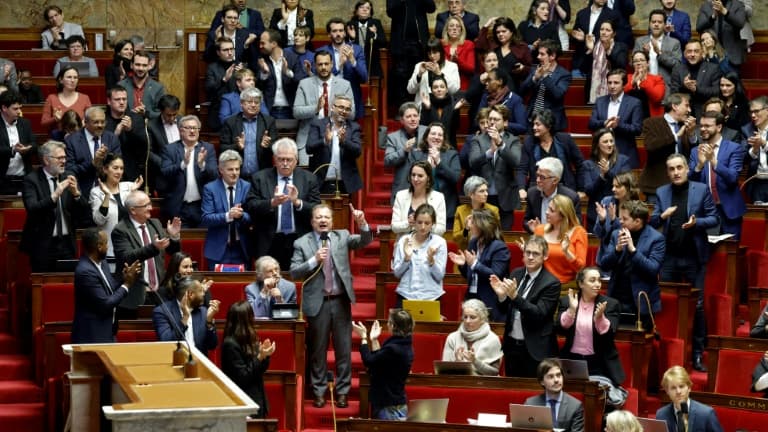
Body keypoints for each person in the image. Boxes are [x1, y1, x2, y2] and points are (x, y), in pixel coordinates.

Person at [290, 204, 372, 409]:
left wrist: (362, 224)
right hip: (318, 303)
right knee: (318, 351)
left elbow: (364, 240)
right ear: (312, 221)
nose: (323, 220)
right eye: (319, 217)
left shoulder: (341, 236)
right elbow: (294, 272)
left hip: (340, 301)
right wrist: (313, 260)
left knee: (343, 349)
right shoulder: (302, 243)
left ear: (332, 222)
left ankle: (342, 391)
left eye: (327, 217)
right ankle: (319, 391)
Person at [651, 153, 719, 370]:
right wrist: (662, 217)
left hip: (693, 257)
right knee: (667, 305)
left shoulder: (700, 189)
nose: (676, 172)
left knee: (697, 306)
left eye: (679, 167)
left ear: (687, 169)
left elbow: (714, 218)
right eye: (671, 169)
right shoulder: (661, 192)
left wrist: (696, 222)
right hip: (669, 257)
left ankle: (697, 354)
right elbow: (651, 220)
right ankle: (667, 353)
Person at [245, 137, 321, 270]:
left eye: (289, 159)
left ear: (296, 160)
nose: (285, 163)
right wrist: (272, 203)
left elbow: (317, 209)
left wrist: (297, 203)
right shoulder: (259, 178)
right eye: (281, 159)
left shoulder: (309, 179)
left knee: (297, 282)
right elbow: (251, 206)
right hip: (269, 241)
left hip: (299, 240)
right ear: (274, 159)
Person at [492, 236, 560, 377]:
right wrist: (502, 296)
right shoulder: (516, 273)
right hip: (512, 347)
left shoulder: (551, 283)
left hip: (536, 350)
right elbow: (506, 310)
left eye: (535, 254)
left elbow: (538, 314)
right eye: (527, 252)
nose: (530, 257)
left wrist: (515, 297)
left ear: (545, 256)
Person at [21, 140, 89, 272]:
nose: (64, 161)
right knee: (42, 287)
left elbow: (85, 214)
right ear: (46, 160)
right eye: (59, 158)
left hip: (66, 244)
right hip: (42, 245)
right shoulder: (31, 180)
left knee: (66, 285)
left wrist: (77, 195)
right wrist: (54, 195)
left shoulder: (69, 177)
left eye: (64, 157)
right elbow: (32, 209)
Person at [112, 190, 181, 319]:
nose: (151, 207)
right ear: (133, 210)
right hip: (134, 297)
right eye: (146, 205)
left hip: (159, 293)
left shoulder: (155, 224)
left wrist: (173, 236)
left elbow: (172, 252)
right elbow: (127, 257)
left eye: (150, 203)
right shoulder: (120, 230)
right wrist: (153, 247)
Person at [600, 200, 665, 330]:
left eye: (624, 218)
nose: (620, 221)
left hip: (641, 302)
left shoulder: (656, 238)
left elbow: (652, 269)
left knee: (639, 345)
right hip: (616, 299)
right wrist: (617, 250)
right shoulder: (616, 234)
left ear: (637, 221)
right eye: (620, 217)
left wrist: (633, 250)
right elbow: (604, 265)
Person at [557, 267, 625, 389]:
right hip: (572, 361)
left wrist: (600, 318)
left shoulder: (609, 304)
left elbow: (610, 334)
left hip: (599, 363)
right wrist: (571, 311)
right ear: (581, 284)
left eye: (599, 280)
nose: (597, 284)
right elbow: (560, 329)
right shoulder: (568, 301)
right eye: (592, 280)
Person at [71, 228, 141, 344]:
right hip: (92, 336)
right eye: (106, 243)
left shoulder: (102, 263)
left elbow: (110, 288)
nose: (108, 247)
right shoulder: (85, 271)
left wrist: (123, 278)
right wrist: (127, 284)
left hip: (108, 331)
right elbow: (106, 304)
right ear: (99, 246)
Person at [689, 110, 746, 239]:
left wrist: (714, 162)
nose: (702, 129)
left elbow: (733, 178)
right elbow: (691, 182)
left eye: (707, 126)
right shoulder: (695, 151)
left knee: (731, 253)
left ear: (719, 127)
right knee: (707, 254)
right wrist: (699, 166)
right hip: (705, 211)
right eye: (701, 125)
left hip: (729, 210)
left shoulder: (734, 148)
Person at [293, 51, 354, 166]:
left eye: (326, 64)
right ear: (315, 66)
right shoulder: (304, 84)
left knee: (335, 177)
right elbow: (296, 112)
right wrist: (315, 108)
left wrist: (338, 110)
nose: (323, 67)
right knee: (308, 179)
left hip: (337, 138)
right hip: (309, 139)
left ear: (332, 64)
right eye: (320, 64)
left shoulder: (344, 85)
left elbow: (352, 113)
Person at [352, 309, 414, 420]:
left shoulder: (393, 348)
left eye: (389, 322)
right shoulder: (404, 345)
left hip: (389, 407)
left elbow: (369, 361)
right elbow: (379, 363)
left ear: (393, 326)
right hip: (396, 403)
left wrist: (363, 337)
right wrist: (374, 340)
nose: (387, 324)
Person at [449, 208, 510, 321]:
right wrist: (463, 265)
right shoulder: (473, 242)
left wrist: (475, 264)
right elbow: (470, 274)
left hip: (489, 300)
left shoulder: (499, 247)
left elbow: (496, 274)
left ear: (482, 225)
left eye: (472, 222)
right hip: (471, 297)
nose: (469, 225)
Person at [468, 104, 523, 229]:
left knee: (504, 236)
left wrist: (501, 144)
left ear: (505, 123)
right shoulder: (478, 140)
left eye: (496, 120)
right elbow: (472, 163)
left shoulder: (513, 140)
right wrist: (489, 153)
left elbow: (516, 161)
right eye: (490, 119)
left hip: (506, 196)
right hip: (483, 196)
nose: (492, 122)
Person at [160, 115, 218, 227]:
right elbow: (165, 172)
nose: (192, 131)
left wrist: (202, 165)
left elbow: (214, 175)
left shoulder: (207, 148)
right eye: (188, 128)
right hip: (179, 207)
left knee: (203, 242)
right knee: (180, 242)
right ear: (181, 130)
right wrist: (182, 164)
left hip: (202, 207)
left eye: (195, 128)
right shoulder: (170, 149)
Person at [221, 300, 276, 419]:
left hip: (257, 399)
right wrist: (260, 357)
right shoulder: (230, 344)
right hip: (244, 403)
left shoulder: (250, 338)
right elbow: (243, 377)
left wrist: (265, 355)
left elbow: (259, 370)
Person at [639, 93, 696, 204]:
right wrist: (675, 136)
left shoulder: (686, 126)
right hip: (657, 186)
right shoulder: (651, 123)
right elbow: (651, 146)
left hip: (682, 186)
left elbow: (693, 154)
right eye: (686, 105)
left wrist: (692, 135)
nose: (689, 110)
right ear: (675, 106)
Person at [200, 150, 252, 270]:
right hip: (218, 251)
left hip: (241, 249)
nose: (235, 173)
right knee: (218, 287)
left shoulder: (247, 187)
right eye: (230, 169)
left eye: (237, 169)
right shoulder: (210, 189)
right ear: (221, 170)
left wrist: (241, 215)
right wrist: (228, 215)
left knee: (241, 287)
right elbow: (206, 218)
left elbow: (252, 217)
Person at [89, 153, 143, 261]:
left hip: (131, 245)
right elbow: (99, 220)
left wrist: (133, 193)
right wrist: (107, 196)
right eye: (115, 168)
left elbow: (138, 215)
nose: (119, 172)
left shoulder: (129, 187)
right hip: (109, 248)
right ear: (105, 169)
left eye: (121, 168)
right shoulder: (96, 192)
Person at [307, 95, 363, 195]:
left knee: (345, 210)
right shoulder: (318, 124)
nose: (344, 111)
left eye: (347, 109)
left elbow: (357, 151)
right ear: (332, 107)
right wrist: (324, 141)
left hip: (345, 183)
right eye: (341, 107)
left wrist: (344, 141)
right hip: (321, 181)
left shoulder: (354, 127)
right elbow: (309, 148)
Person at [392, 204, 447, 304]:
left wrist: (432, 262)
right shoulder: (404, 240)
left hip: (431, 296)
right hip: (406, 294)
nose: (423, 227)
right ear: (414, 222)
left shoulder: (440, 242)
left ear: (433, 223)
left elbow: (440, 276)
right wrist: (407, 259)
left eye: (427, 223)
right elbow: (397, 273)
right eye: (419, 222)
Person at [588, 69, 644, 169]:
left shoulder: (634, 103)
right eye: (609, 83)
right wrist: (604, 123)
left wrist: (618, 126)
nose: (612, 86)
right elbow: (591, 123)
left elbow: (637, 129)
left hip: (625, 153)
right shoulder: (600, 101)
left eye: (616, 83)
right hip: (602, 155)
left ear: (624, 85)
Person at [152, 276, 220, 358]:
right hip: (174, 362)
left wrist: (209, 322)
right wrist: (184, 319)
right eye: (200, 291)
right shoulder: (162, 312)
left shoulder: (203, 311)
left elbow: (212, 345)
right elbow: (166, 342)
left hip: (199, 364)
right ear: (190, 294)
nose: (204, 294)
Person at [519, 109, 584, 194]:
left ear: (548, 126)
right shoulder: (529, 142)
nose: (534, 127)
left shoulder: (565, 139)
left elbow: (580, 164)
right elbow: (522, 169)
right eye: (533, 124)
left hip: (564, 187)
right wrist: (521, 188)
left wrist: (581, 189)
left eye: (538, 124)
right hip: (538, 189)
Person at [219, 87, 278, 179]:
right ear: (241, 103)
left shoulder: (269, 122)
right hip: (237, 177)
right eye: (250, 102)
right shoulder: (230, 122)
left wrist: (267, 146)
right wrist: (237, 147)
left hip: (262, 176)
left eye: (257, 102)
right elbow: (222, 148)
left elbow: (276, 148)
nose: (253, 105)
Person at [316, 17, 368, 120]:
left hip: (351, 98)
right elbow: (319, 77)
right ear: (329, 34)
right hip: (329, 99)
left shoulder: (356, 50)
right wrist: (339, 66)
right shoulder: (321, 51)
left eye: (341, 30)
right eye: (334, 31)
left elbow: (364, 77)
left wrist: (352, 60)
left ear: (345, 33)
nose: (338, 34)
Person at [386, 0, 436, 107]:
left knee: (418, 73)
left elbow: (431, 8)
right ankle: (403, 106)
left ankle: (419, 105)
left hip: (419, 42)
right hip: (400, 42)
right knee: (400, 75)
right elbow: (390, 11)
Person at [64, 106, 121, 197]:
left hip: (108, 192)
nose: (100, 125)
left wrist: (106, 158)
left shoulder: (111, 138)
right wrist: (92, 163)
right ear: (85, 123)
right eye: (96, 122)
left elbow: (118, 165)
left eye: (103, 122)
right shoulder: (72, 141)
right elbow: (69, 170)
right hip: (82, 193)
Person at [581, 129, 632, 230]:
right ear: (597, 145)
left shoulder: (623, 161)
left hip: (619, 214)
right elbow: (588, 191)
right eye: (605, 142)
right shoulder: (588, 165)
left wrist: (608, 173)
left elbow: (626, 183)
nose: (609, 144)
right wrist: (601, 176)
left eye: (611, 141)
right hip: (596, 215)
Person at [531, 194, 588, 284]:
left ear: (563, 215)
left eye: (551, 210)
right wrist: (528, 251)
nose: (546, 212)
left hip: (565, 287)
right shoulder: (539, 230)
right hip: (540, 285)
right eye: (548, 208)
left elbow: (581, 269)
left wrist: (567, 252)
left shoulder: (579, 232)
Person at [519, 39, 571, 132]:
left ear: (552, 56)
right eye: (538, 53)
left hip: (551, 123)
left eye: (542, 54)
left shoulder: (564, 74)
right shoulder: (535, 69)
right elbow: (522, 91)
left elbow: (558, 94)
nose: (538, 57)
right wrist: (535, 78)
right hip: (532, 120)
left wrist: (546, 76)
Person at [442, 298, 503, 375]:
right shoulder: (452, 338)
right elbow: (444, 371)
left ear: (482, 319)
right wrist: (457, 363)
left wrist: (475, 361)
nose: (467, 321)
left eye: (472, 317)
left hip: (484, 384)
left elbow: (494, 372)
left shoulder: (492, 339)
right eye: (465, 317)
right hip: (458, 382)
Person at [593, 172, 641, 267]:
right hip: (605, 258)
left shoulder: (637, 207)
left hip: (626, 260)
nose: (613, 189)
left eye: (618, 186)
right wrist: (602, 221)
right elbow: (598, 234)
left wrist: (614, 220)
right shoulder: (606, 202)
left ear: (628, 188)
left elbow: (629, 234)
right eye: (613, 186)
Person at [522, 157, 581, 234]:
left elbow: (575, 226)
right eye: (537, 175)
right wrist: (534, 228)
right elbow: (526, 221)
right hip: (539, 241)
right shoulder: (532, 193)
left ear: (555, 180)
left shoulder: (571, 197)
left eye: (542, 177)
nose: (537, 180)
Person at [656, 366, 724, 432]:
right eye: (673, 388)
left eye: (681, 386)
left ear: (689, 388)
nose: (678, 392)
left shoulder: (706, 414)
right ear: (667, 391)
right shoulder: (661, 414)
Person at [524, 358, 585, 432]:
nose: (556, 380)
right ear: (542, 382)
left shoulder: (575, 406)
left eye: (559, 375)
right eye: (551, 376)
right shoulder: (530, 404)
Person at [103, 85, 148, 183]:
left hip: (132, 170)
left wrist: (130, 131)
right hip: (109, 172)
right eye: (117, 99)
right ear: (109, 101)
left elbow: (144, 146)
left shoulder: (136, 118)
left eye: (124, 99)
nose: (122, 102)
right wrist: (115, 134)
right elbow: (102, 148)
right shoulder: (102, 121)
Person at [384, 101, 428, 200]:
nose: (413, 119)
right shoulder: (393, 137)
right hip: (403, 188)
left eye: (415, 116)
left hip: (426, 188)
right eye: (408, 117)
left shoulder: (428, 132)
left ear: (419, 117)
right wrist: (404, 150)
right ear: (402, 120)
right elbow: (387, 161)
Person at [475, 17, 531, 92]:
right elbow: (479, 46)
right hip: (493, 88)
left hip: (513, 89)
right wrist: (486, 25)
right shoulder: (492, 45)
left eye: (504, 31)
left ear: (511, 32)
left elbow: (530, 69)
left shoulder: (522, 47)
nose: (500, 34)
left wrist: (522, 68)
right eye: (498, 32)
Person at [391, 161, 447, 236]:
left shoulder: (438, 197)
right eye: (413, 175)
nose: (415, 179)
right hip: (405, 244)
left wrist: (424, 222)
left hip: (430, 245)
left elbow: (441, 229)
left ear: (428, 178)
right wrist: (408, 223)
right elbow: (394, 227)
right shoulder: (400, 196)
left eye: (420, 176)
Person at [669, 39, 722, 117]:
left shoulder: (713, 68)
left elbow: (716, 92)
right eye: (689, 51)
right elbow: (673, 94)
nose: (692, 54)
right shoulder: (677, 69)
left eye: (696, 51)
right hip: (683, 115)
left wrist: (696, 89)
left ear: (702, 53)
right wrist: (684, 86)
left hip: (705, 113)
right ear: (684, 54)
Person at [634, 9, 683, 90]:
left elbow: (677, 66)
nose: (656, 24)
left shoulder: (674, 43)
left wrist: (659, 53)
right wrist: (644, 55)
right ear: (649, 24)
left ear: (665, 25)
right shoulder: (639, 41)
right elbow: (634, 65)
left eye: (660, 22)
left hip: (665, 87)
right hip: (643, 85)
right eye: (653, 22)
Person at [570, 0, 619, 80]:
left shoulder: (613, 15)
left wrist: (587, 40)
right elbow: (574, 38)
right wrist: (580, 38)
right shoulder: (582, 14)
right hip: (580, 63)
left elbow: (613, 40)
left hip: (599, 65)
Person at [584, 20, 628, 105]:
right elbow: (586, 68)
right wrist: (590, 50)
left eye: (608, 30)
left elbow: (620, 66)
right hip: (592, 90)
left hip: (612, 89)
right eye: (602, 29)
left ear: (614, 33)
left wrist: (608, 51)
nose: (604, 32)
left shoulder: (621, 47)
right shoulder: (594, 45)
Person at [0, 90, 35, 195]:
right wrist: (13, 150)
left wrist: (27, 148)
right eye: (15, 109)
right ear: (4, 108)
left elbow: (34, 144)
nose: (19, 111)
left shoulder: (25, 123)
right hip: (2, 180)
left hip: (24, 179)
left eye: (20, 108)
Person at [256, 29, 298, 119]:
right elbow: (258, 87)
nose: (260, 46)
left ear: (274, 44)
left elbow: (300, 81)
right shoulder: (261, 60)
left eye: (263, 43)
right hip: (269, 110)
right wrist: (264, 73)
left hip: (291, 109)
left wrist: (287, 72)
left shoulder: (293, 58)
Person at [41, 66, 92, 138]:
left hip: (79, 139)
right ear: (61, 80)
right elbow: (43, 123)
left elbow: (91, 121)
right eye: (69, 77)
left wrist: (85, 124)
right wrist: (55, 119)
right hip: (57, 141)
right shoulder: (51, 98)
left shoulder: (85, 98)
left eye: (75, 77)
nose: (72, 80)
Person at [406, 38, 460, 107]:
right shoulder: (420, 66)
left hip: (444, 108)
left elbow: (454, 89)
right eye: (429, 53)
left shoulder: (452, 66)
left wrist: (440, 74)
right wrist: (419, 75)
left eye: (435, 52)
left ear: (441, 52)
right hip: (423, 108)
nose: (432, 56)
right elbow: (410, 90)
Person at [696, 0, 747, 71]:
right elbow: (699, 27)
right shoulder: (706, 5)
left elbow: (740, 23)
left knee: (731, 81)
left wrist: (725, 12)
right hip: (711, 54)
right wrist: (713, 17)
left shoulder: (738, 4)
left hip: (732, 56)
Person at [204, 4, 259, 69]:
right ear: (223, 19)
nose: (233, 21)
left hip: (239, 73)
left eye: (235, 18)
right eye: (229, 17)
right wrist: (217, 41)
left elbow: (252, 61)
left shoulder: (246, 35)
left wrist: (246, 45)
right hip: (220, 73)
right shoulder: (214, 34)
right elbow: (207, 58)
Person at [476, 68, 527, 136]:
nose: (486, 83)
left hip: (507, 139)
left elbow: (522, 127)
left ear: (500, 81)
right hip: (486, 138)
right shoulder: (485, 97)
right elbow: (477, 121)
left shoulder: (514, 99)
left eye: (489, 80)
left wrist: (503, 124)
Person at [453, 176, 500, 250]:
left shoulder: (493, 210)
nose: (486, 194)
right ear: (471, 194)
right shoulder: (460, 210)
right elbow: (456, 238)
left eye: (486, 190)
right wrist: (466, 229)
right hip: (466, 252)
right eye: (482, 191)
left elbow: (497, 236)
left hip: (487, 252)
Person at [147, 94, 181, 195]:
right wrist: (165, 164)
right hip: (163, 175)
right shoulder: (151, 126)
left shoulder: (183, 121)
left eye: (174, 114)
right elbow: (149, 152)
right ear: (161, 112)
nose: (172, 118)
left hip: (183, 172)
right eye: (168, 115)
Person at [118, 51, 166, 120]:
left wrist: (146, 113)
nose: (141, 68)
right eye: (137, 64)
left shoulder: (158, 88)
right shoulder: (121, 85)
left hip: (149, 128)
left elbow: (162, 114)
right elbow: (115, 111)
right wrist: (132, 113)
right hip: (127, 126)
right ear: (131, 65)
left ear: (149, 66)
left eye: (144, 65)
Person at [419, 75, 464, 149]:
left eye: (442, 87)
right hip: (430, 147)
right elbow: (424, 129)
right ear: (432, 90)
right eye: (435, 87)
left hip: (449, 146)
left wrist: (455, 111)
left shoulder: (453, 103)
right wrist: (427, 109)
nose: (439, 89)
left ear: (446, 89)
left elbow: (455, 127)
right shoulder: (427, 103)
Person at [205, 38, 240, 131]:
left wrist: (242, 75)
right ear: (218, 52)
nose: (230, 52)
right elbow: (209, 89)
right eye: (225, 50)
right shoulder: (212, 68)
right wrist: (224, 79)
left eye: (231, 49)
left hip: (238, 114)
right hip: (218, 115)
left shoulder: (240, 66)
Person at [346, 1, 387, 78]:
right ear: (356, 11)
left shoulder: (376, 23)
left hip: (372, 63)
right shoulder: (350, 24)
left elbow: (383, 43)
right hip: (354, 61)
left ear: (370, 12)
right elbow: (344, 45)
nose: (365, 10)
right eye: (361, 7)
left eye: (367, 8)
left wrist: (375, 35)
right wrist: (352, 38)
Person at [625, 50, 667, 118]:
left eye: (641, 60)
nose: (638, 63)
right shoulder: (628, 78)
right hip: (630, 117)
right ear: (633, 64)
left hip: (651, 118)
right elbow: (620, 94)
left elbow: (657, 98)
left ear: (647, 63)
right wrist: (632, 83)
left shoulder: (657, 79)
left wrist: (643, 80)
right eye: (635, 61)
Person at [743, 96, 768, 203]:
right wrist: (754, 149)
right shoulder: (747, 130)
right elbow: (742, 158)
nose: (753, 115)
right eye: (751, 112)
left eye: (756, 111)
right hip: (757, 184)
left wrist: (764, 143)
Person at [441, 15, 475, 91]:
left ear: (461, 30)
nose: (454, 28)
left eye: (458, 26)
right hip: (442, 86)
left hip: (462, 86)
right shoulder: (441, 44)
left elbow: (471, 69)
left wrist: (457, 60)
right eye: (451, 26)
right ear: (447, 29)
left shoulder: (468, 44)